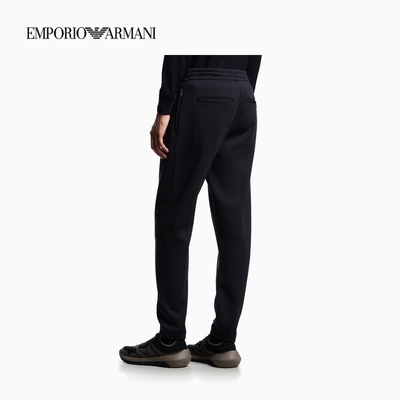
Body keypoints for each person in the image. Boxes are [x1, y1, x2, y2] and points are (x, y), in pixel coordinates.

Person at [119, 55, 262, 368]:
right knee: (234, 222)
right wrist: (242, 89)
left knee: (174, 215)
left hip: (199, 91)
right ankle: (223, 341)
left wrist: (165, 107)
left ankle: (170, 340)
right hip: (243, 93)